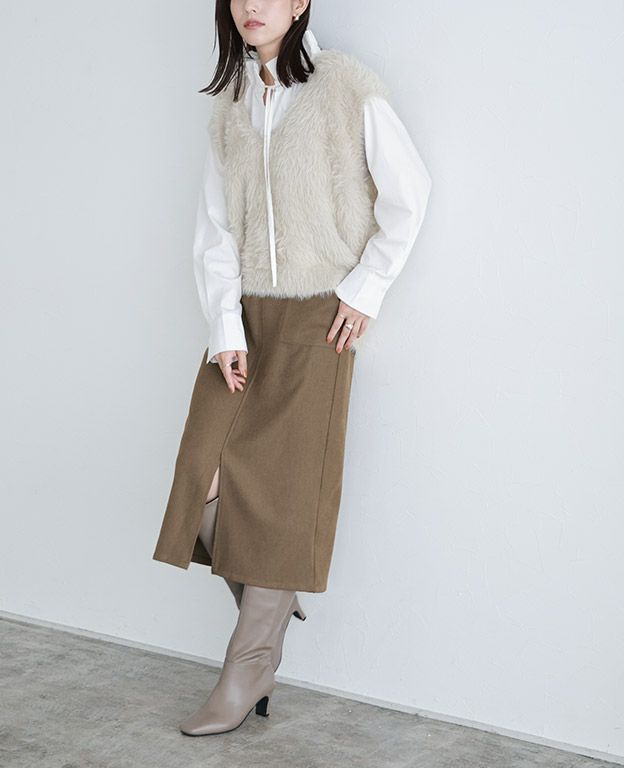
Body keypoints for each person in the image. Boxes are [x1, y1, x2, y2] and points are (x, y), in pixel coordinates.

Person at [152, 0, 432, 737]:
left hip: (317, 320)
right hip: (244, 321)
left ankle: (247, 666)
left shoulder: (345, 87)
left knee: (283, 498)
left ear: (302, 1)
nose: (253, 5)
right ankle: (270, 600)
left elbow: (410, 194)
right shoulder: (231, 106)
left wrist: (364, 290)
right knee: (201, 480)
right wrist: (223, 325)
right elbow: (215, 228)